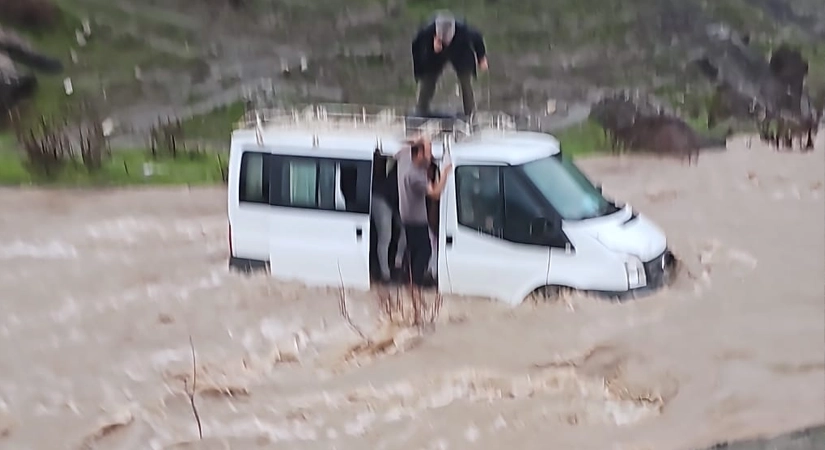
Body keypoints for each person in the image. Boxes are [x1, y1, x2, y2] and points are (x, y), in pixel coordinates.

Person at [411, 10, 488, 117]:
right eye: (443, 39)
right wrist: (429, 52)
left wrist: (481, 58)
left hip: (460, 52)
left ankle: (471, 115)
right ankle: (420, 111)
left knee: (466, 81)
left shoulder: (464, 30)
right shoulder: (426, 31)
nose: (445, 41)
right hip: (435, 54)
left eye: (447, 38)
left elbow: (478, 39)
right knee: (427, 80)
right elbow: (416, 48)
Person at [399, 137, 452, 286]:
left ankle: (408, 279)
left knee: (413, 252)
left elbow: (406, 146)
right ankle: (414, 286)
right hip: (416, 221)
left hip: (408, 219)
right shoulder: (415, 176)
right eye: (429, 152)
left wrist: (420, 138)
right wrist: (445, 174)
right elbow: (435, 193)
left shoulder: (406, 160)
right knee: (424, 251)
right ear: (420, 154)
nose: (431, 156)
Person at [371, 152, 405, 282]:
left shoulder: (398, 173)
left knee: (405, 229)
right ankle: (385, 274)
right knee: (385, 236)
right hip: (380, 198)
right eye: (379, 161)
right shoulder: (389, 178)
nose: (382, 164)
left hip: (392, 202)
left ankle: (398, 262)